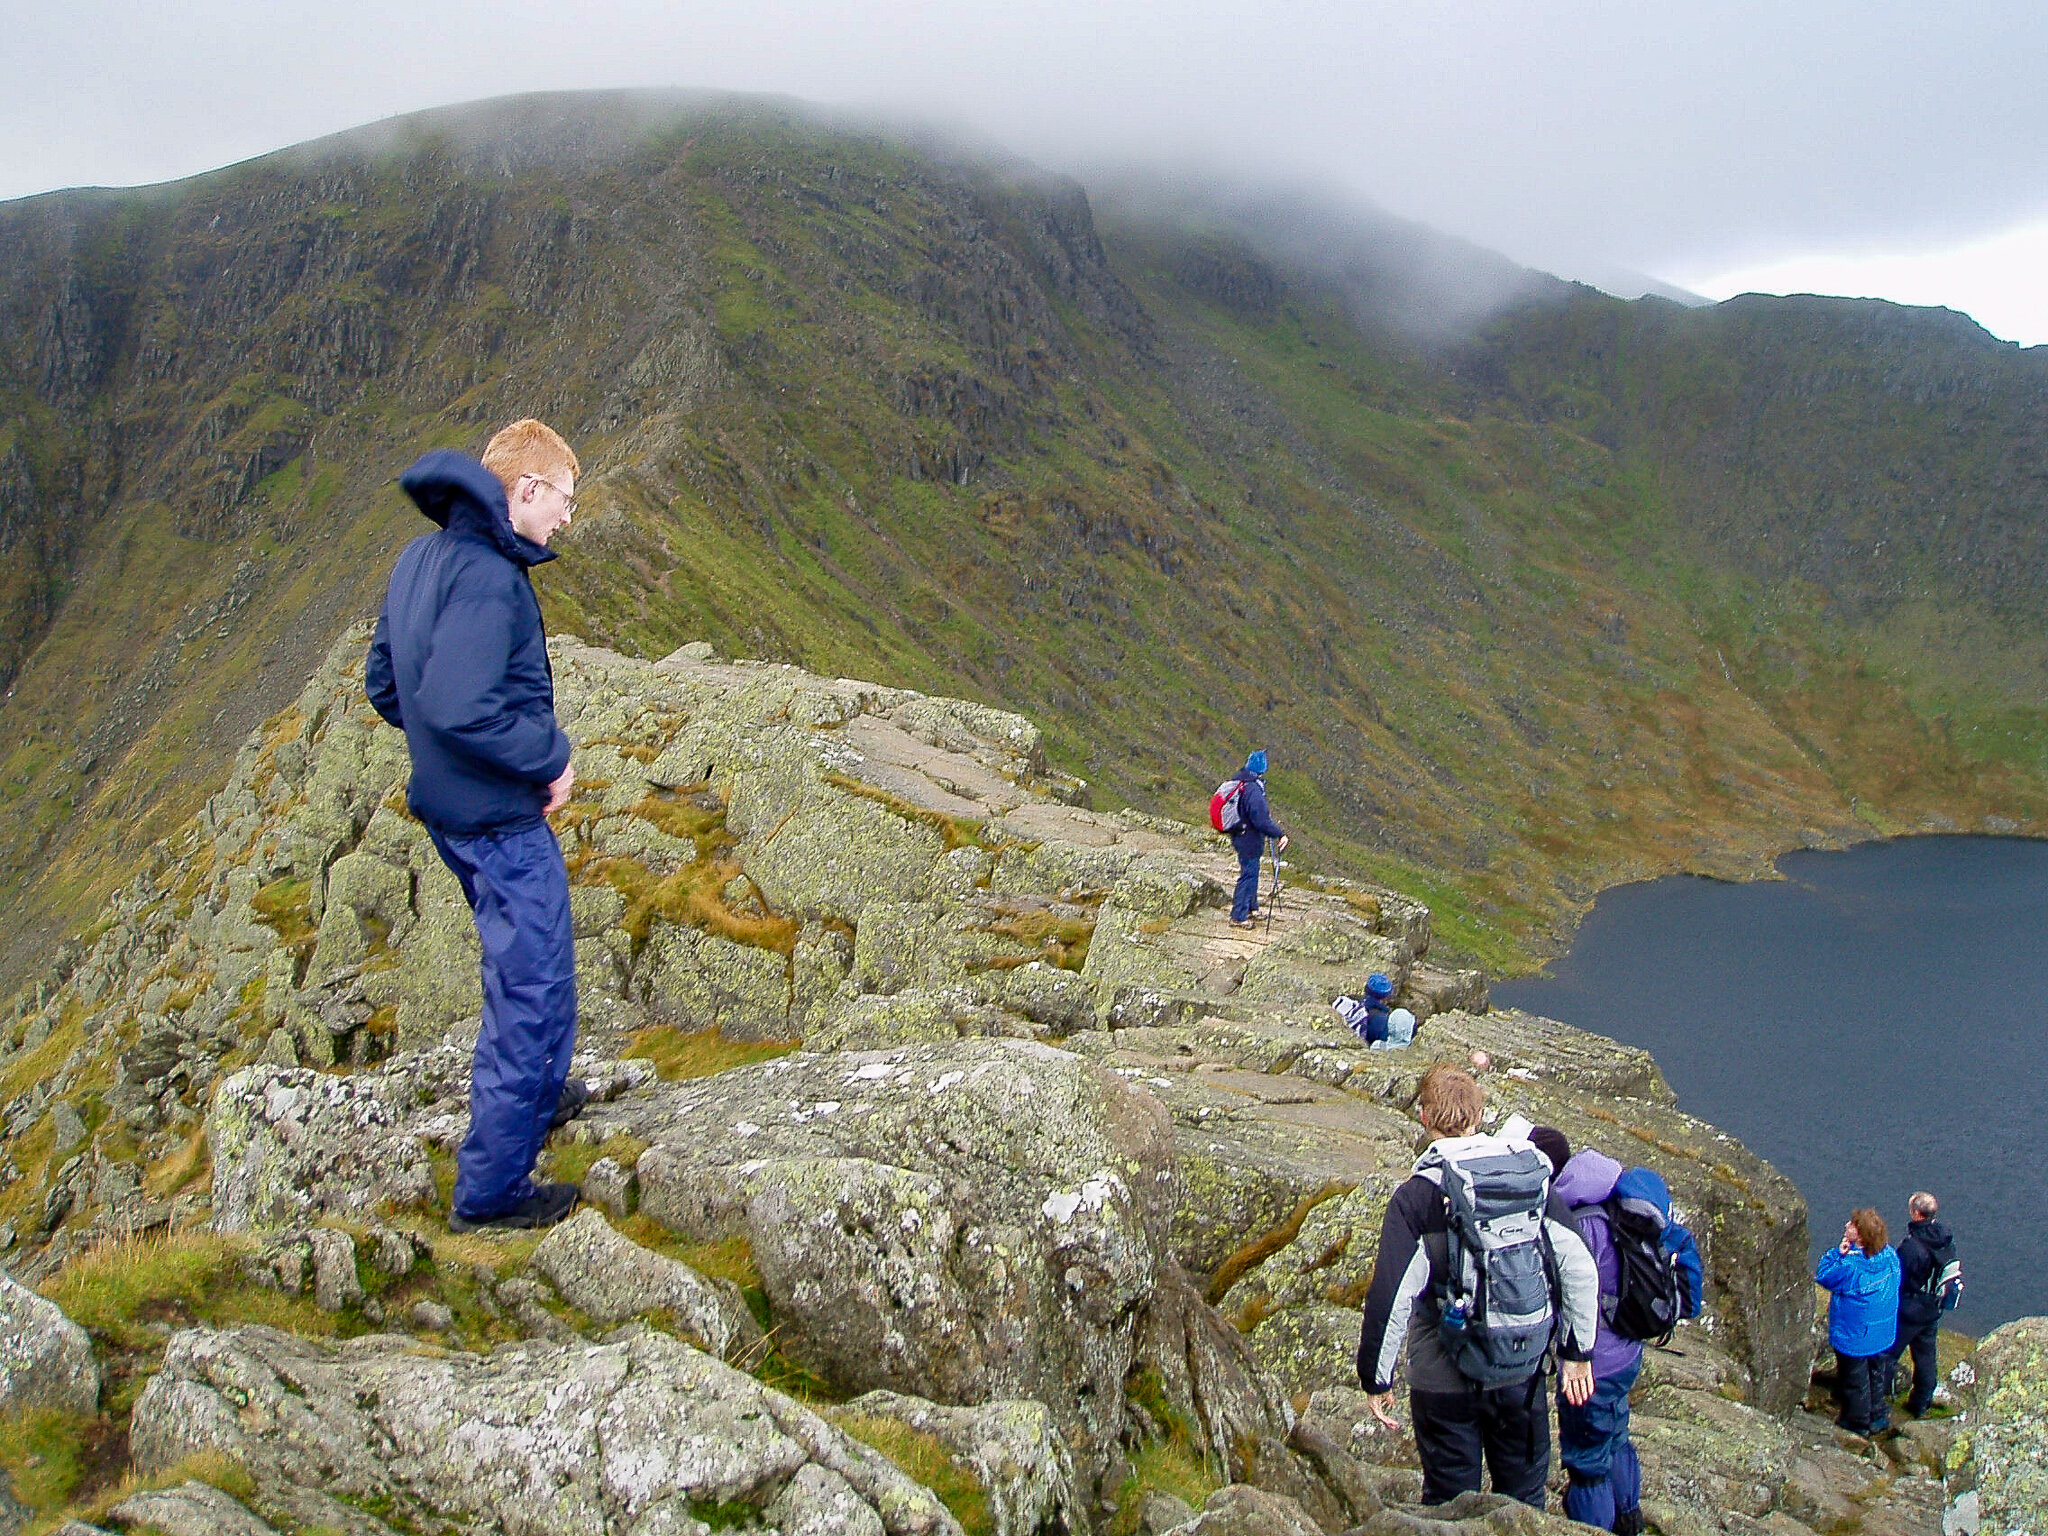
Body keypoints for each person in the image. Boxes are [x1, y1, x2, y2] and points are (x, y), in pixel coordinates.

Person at [366, 419, 586, 1233]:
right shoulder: (491, 579)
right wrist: (549, 758)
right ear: (526, 491)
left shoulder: (418, 561)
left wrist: (447, 752)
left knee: (538, 958)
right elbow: (461, 704)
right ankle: (491, 1195)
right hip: (498, 821)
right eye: (563, 499)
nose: (566, 518)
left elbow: (388, 686)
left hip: (451, 814)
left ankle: (539, 1094)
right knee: (529, 984)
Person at [1355, 1067, 1600, 1509]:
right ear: (1481, 1114)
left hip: (1442, 1373)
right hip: (1519, 1363)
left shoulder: (1419, 1196)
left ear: (1425, 1116)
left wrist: (1376, 1377)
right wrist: (1577, 1353)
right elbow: (1579, 1266)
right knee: (1524, 1497)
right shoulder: (1529, 1176)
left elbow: (1391, 1294)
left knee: (1451, 1498)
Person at [1550, 1143, 1698, 1534]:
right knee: (1616, 1438)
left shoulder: (1584, 1225)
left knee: (1587, 1464)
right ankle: (1628, 1518)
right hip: (1627, 1356)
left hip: (1588, 1367)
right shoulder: (1634, 1217)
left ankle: (1594, 1528)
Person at [1816, 1208, 1901, 1436]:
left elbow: (1823, 1275)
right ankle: (1878, 1415)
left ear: (1861, 1237)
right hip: (1882, 1331)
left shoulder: (1850, 1267)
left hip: (1855, 1334)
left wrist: (1839, 1253)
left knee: (1856, 1382)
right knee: (1876, 1373)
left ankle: (1857, 1423)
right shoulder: (1890, 1256)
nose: (1847, 1225)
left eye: (1853, 1225)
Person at [1888, 1192, 1958, 1417]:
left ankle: (1877, 1400)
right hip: (1932, 1309)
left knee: (1887, 1354)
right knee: (1926, 1357)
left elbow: (1900, 1277)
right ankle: (1920, 1403)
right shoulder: (1945, 1241)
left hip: (1909, 1310)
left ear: (1916, 1213)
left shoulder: (1913, 1246)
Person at [1224, 749, 1287, 928]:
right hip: (1249, 838)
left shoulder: (1240, 782)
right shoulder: (1253, 789)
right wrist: (1279, 833)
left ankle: (1251, 907)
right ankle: (1238, 916)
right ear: (1262, 769)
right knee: (1248, 874)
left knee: (1252, 872)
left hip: (1240, 835)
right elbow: (1261, 820)